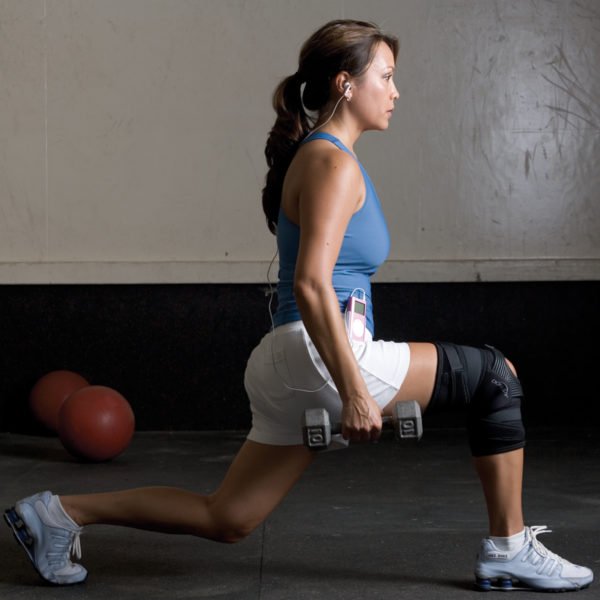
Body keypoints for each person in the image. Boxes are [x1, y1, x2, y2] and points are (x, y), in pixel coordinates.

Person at [4, 19, 593, 593]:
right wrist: (355, 391)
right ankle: (509, 549)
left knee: (228, 517)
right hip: (324, 352)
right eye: (386, 76)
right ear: (345, 83)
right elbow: (313, 283)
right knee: (494, 376)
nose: (396, 92)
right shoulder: (332, 162)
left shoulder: (321, 157)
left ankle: (61, 513)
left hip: (290, 357)